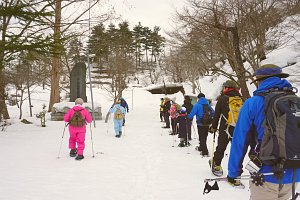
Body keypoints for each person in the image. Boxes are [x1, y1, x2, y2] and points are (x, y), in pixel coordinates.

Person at [227, 64, 300, 198]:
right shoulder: (295, 101)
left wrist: (233, 172)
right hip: (294, 174)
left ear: (260, 81)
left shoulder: (253, 103)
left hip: (265, 175)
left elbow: (240, 140)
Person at [209, 80, 242, 176]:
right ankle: (236, 171)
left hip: (225, 128)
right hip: (237, 129)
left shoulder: (223, 99)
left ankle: (216, 164)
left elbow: (217, 115)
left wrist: (213, 127)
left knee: (221, 148)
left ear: (226, 88)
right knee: (236, 149)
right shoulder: (241, 99)